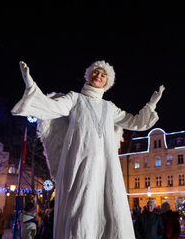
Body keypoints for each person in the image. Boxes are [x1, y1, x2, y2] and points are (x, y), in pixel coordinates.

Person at [12, 61, 164, 239]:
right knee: (80, 210)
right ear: (88, 75)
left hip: (107, 168)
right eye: (95, 72)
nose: (98, 75)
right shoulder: (75, 98)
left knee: (110, 208)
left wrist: (151, 105)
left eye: (103, 74)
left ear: (108, 81)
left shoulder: (110, 107)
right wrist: (31, 86)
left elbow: (135, 122)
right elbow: (52, 107)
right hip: (80, 164)